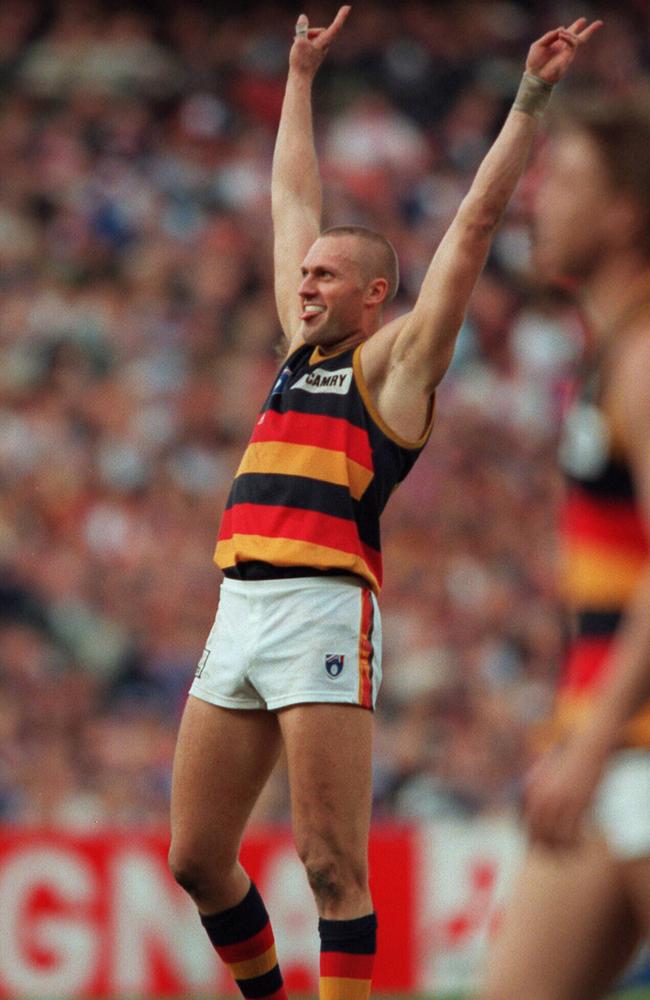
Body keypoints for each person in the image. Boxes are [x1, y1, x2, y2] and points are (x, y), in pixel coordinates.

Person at [167, 9, 599, 1000]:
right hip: (238, 604)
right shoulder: (295, 348)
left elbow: (475, 225)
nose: (302, 282)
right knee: (195, 855)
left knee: (329, 863)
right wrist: (300, 77)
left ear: (373, 294)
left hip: (321, 605)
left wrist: (530, 97)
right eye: (303, 272)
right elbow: (288, 196)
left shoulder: (395, 367)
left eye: (323, 275)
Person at [478, 87, 650, 1000]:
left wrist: (588, 744)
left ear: (626, 214)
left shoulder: (644, 355)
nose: (543, 196)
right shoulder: (612, 348)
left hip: (623, 746)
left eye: (570, 178)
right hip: (613, 754)